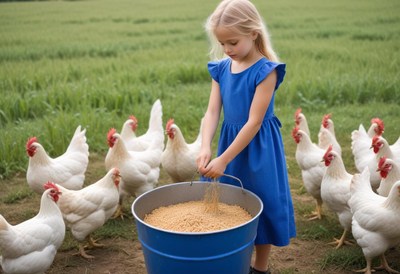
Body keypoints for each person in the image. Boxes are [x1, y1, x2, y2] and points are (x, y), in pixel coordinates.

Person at [196, 0, 296, 273]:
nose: (227, 49)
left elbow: (253, 123)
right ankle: (230, 259)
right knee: (229, 202)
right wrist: (206, 147)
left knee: (261, 201)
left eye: (233, 42)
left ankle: (259, 268)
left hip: (258, 147)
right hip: (230, 142)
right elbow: (212, 111)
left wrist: (224, 160)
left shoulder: (267, 71)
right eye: (222, 43)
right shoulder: (221, 68)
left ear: (253, 33)